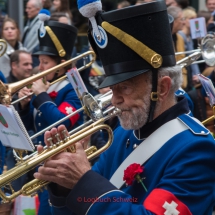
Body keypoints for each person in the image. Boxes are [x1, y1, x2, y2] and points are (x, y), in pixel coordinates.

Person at [34, 1, 215, 215]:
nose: (114, 100)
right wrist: (64, 184)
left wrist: (83, 180)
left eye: (125, 88)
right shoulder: (122, 133)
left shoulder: (196, 149)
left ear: (162, 87)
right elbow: (87, 204)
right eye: (112, 89)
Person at [18, 20, 83, 215]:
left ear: (61, 66)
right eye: (40, 62)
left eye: (45, 62)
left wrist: (42, 97)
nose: (40, 67)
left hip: (63, 166)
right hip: (43, 164)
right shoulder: (47, 87)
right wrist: (23, 106)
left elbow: (63, 122)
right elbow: (33, 125)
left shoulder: (72, 90)